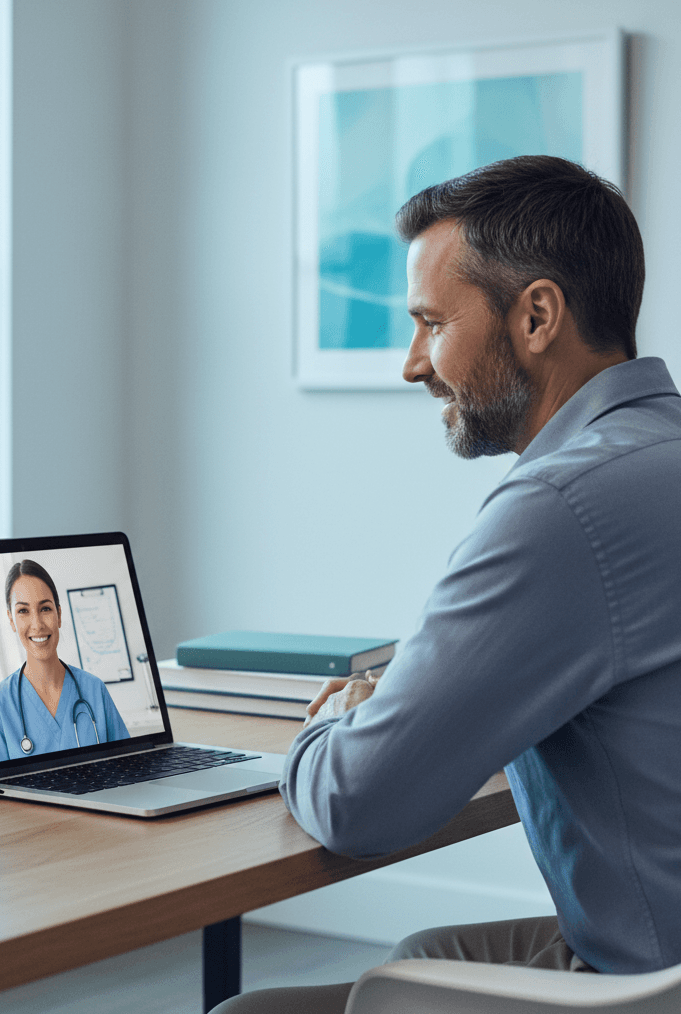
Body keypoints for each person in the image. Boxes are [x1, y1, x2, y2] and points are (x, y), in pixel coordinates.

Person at [214, 156, 681, 1012]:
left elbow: (359, 804)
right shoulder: (660, 456)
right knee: (427, 951)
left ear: (536, 315)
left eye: (431, 323)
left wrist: (333, 723)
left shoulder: (562, 505)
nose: (412, 363)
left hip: (647, 982)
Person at [0, 559, 130, 764]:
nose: (37, 625)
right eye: (23, 611)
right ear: (11, 620)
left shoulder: (94, 689)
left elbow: (127, 766)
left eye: (45, 609)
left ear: (59, 614)